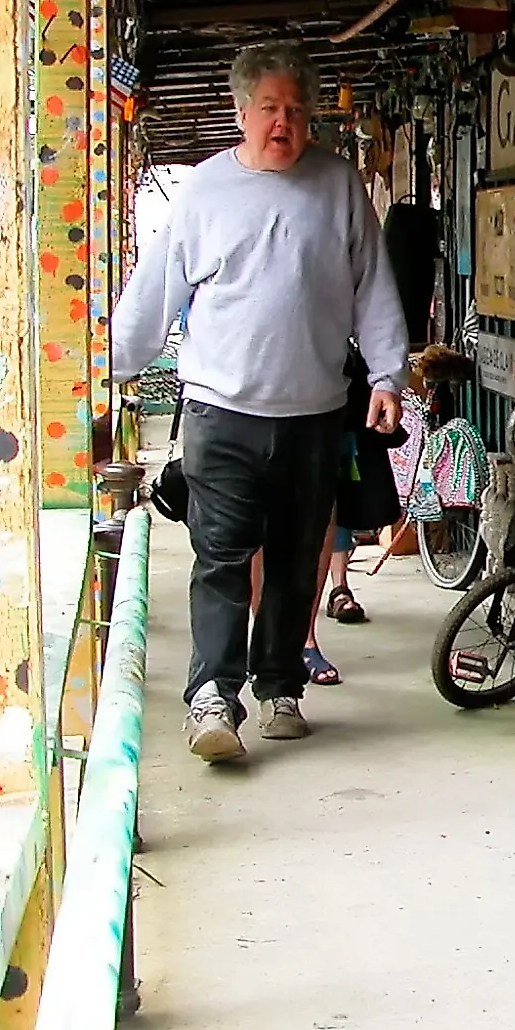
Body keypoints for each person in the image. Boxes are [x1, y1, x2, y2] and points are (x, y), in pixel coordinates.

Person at [113, 40, 408, 763]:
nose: (284, 123)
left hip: (314, 413)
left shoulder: (338, 185)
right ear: (242, 112)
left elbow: (373, 287)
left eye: (297, 111)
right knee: (220, 555)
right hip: (221, 412)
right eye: (271, 109)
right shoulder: (205, 191)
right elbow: (157, 288)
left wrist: (387, 377)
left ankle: (281, 687)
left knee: (297, 556)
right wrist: (114, 365)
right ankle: (213, 698)